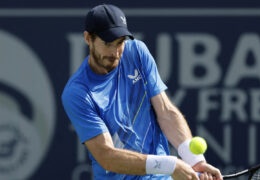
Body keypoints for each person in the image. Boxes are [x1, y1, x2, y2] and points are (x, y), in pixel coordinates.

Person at [61, 4, 222, 180]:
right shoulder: (77, 93)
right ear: (88, 38)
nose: (115, 52)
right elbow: (107, 157)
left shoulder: (136, 52)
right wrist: (170, 165)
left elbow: (165, 112)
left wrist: (194, 160)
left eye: (120, 42)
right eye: (107, 43)